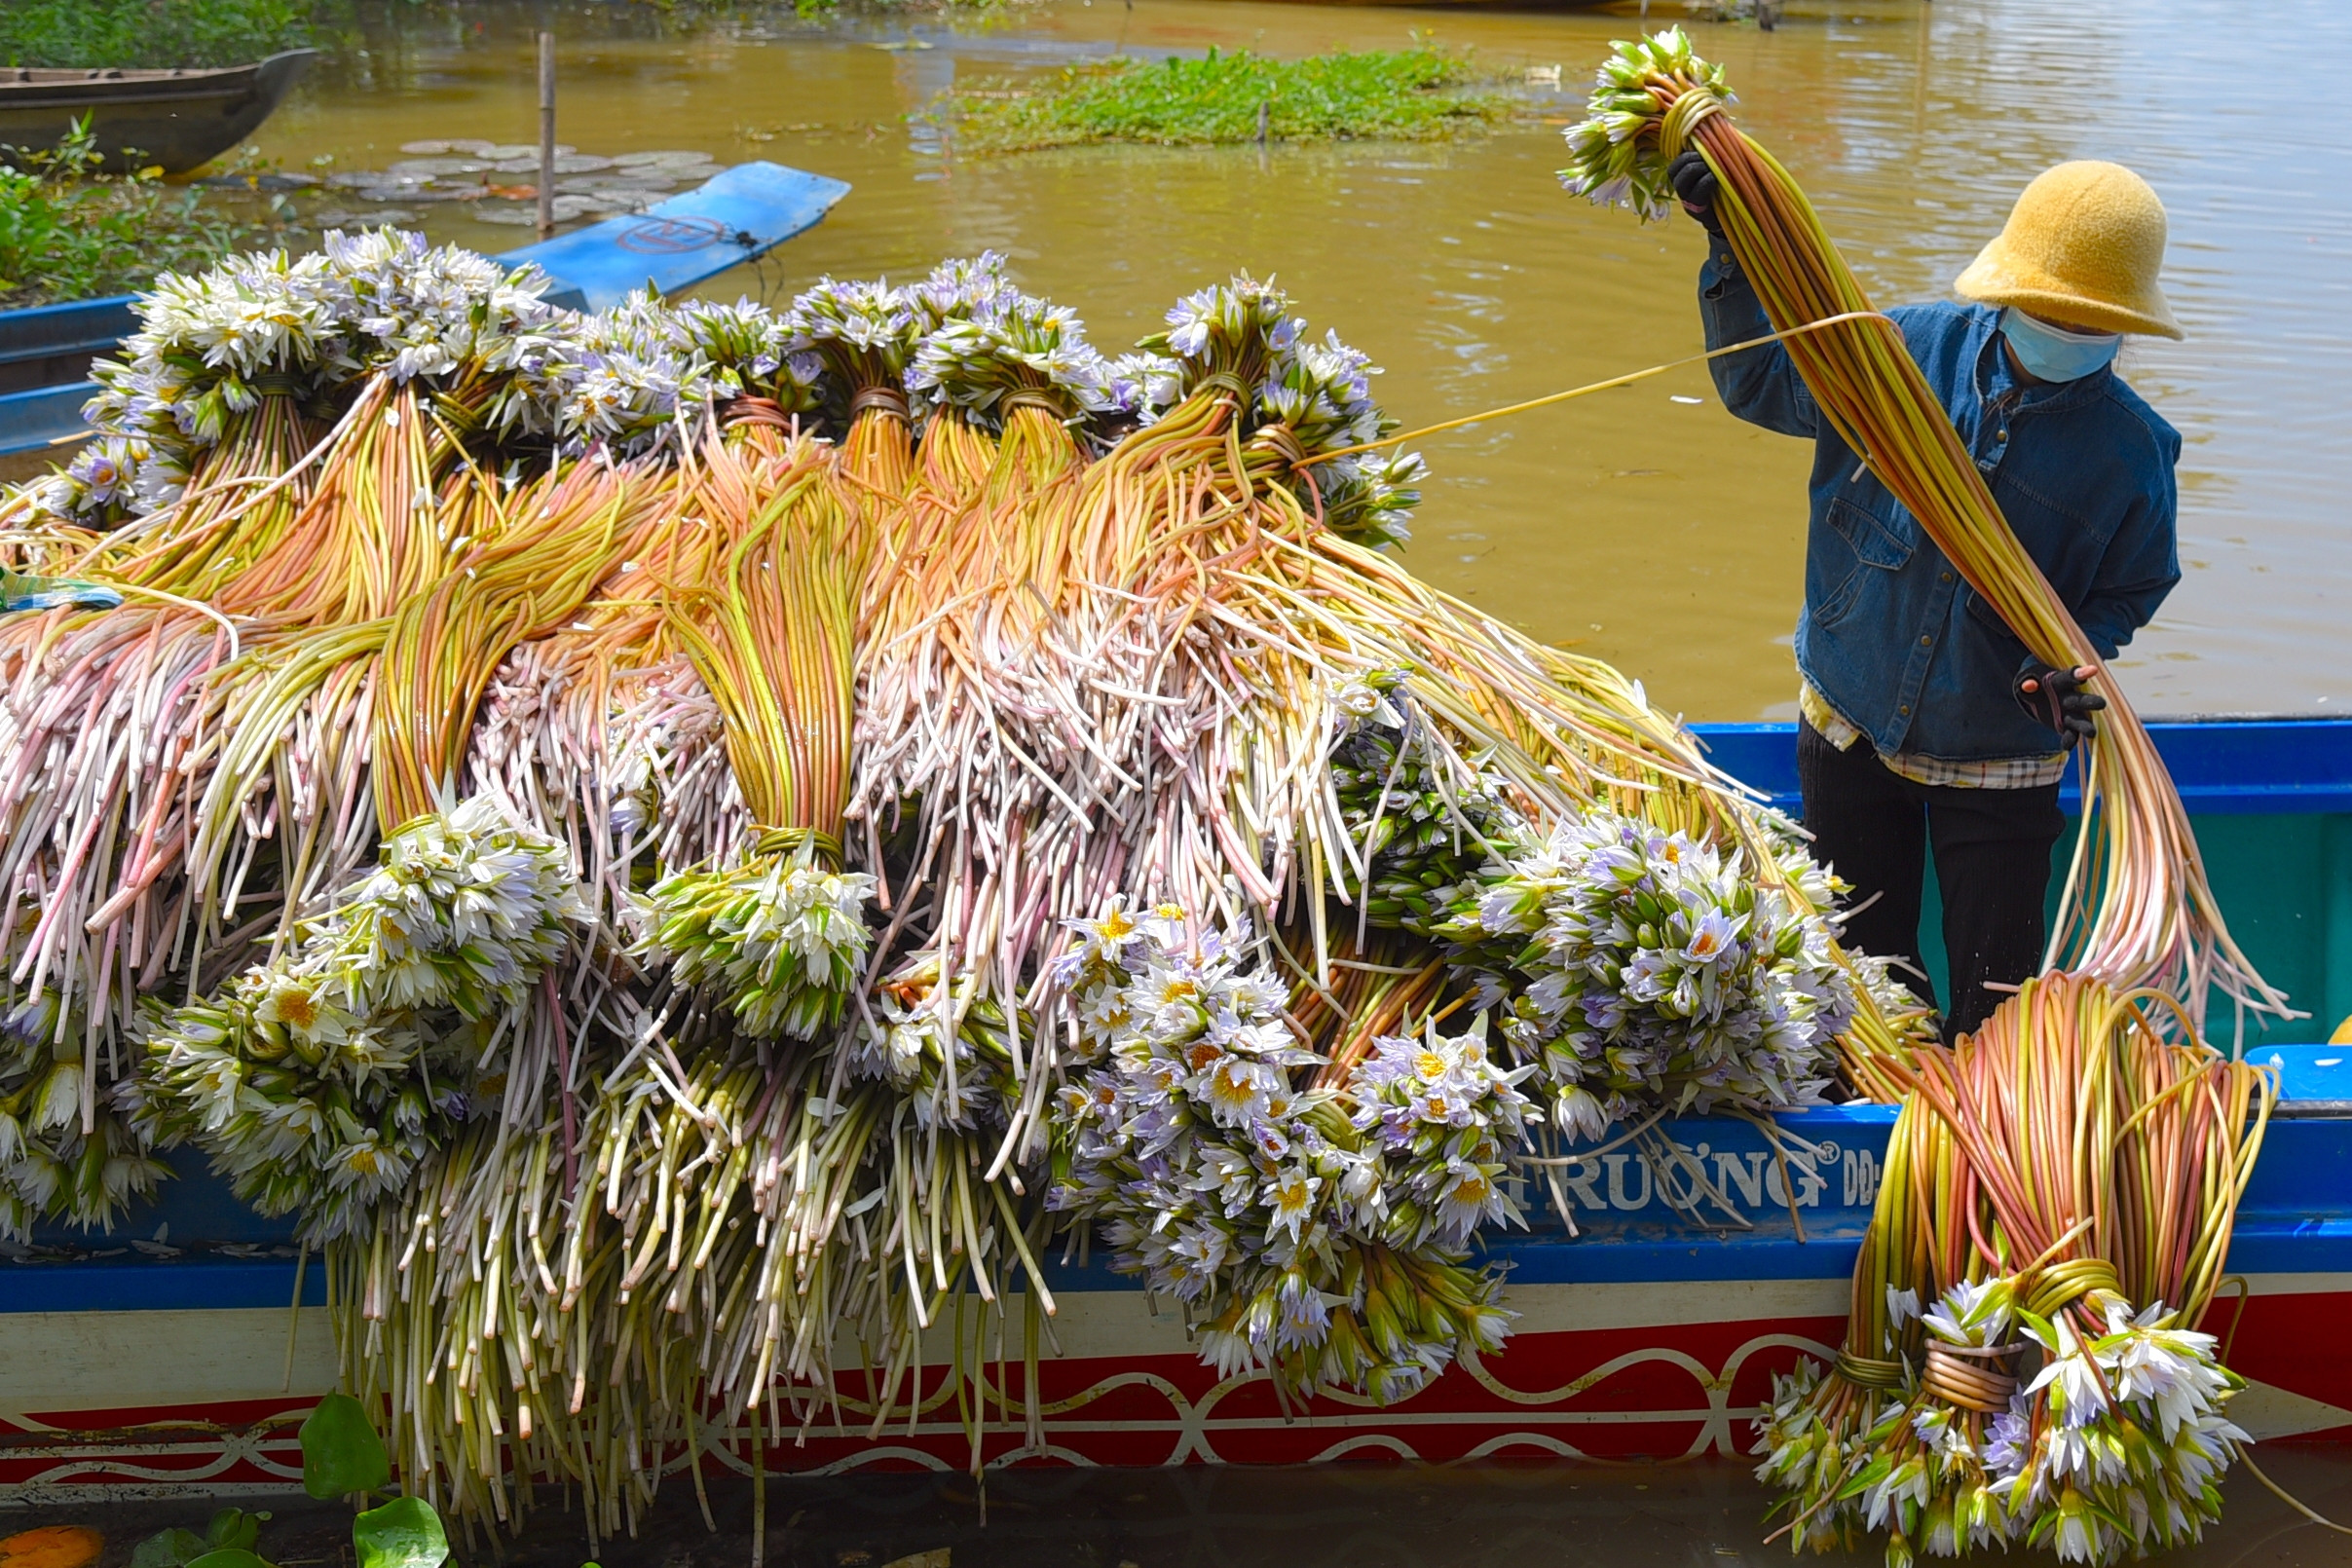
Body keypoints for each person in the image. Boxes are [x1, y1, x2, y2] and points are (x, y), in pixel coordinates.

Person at [1669, 155, 2184, 1040]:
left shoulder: (2133, 449)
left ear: (2122, 324)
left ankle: (1973, 1148)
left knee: (1992, 1012)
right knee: (1864, 989)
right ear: (2007, 289)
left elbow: (2134, 585)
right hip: (1850, 719)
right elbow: (1758, 385)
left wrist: (2065, 657)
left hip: (1999, 754)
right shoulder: (1899, 351)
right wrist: (1730, 242)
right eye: (2047, 307)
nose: (2062, 328)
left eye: (2087, 319)